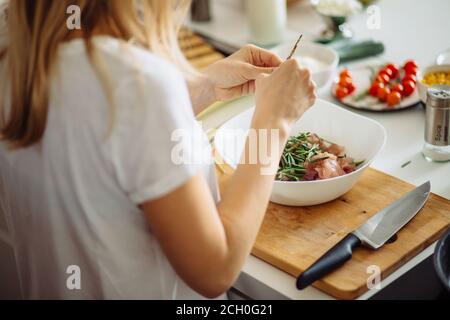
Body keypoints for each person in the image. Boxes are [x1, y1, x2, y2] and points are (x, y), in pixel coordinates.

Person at [0, 0, 316, 299]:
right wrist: (274, 123)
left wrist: (203, 86)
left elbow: (108, 137)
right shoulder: (139, 84)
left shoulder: (15, 56)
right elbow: (216, 268)